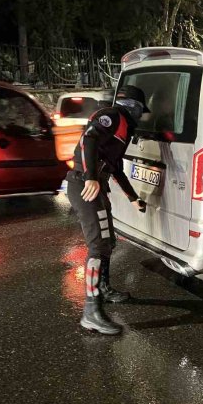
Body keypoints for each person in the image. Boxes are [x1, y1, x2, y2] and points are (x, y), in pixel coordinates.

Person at [66, 86, 149, 335]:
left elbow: (116, 169)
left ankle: (103, 288)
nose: (140, 116)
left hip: (96, 187)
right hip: (85, 185)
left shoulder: (121, 130)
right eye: (140, 111)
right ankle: (91, 312)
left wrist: (133, 198)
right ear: (133, 106)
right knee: (98, 246)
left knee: (108, 242)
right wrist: (91, 177)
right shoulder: (113, 116)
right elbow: (88, 138)